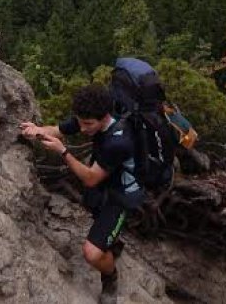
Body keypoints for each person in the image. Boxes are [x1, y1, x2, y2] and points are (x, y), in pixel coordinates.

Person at [20, 84, 145, 302]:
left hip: (121, 194)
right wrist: (37, 130)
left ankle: (110, 278)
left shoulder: (119, 141)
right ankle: (111, 241)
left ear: (105, 117)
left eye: (88, 124)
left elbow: (90, 177)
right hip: (105, 183)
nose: (83, 129)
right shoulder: (89, 117)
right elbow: (58, 130)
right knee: (93, 203)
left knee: (92, 253)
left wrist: (63, 151)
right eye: (80, 122)